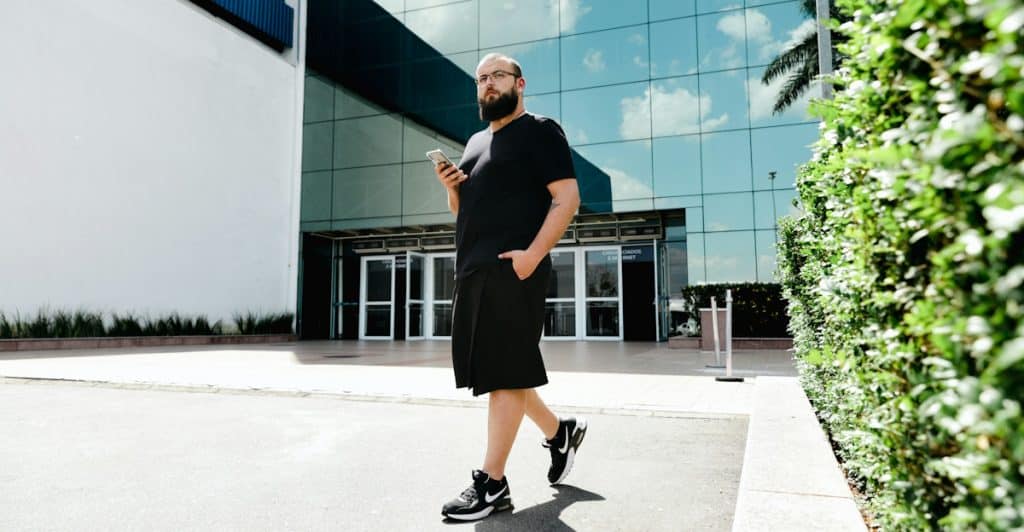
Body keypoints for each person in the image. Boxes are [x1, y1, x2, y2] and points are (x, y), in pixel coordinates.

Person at [433, 53, 588, 522]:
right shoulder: (476, 141)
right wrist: (452, 187)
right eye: (481, 79)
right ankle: (559, 431)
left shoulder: (540, 130)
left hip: (514, 270)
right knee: (504, 369)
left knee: (504, 373)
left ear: (520, 83)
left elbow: (567, 198)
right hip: (475, 272)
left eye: (497, 76)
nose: (488, 84)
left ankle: (493, 483)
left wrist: (532, 256)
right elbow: (467, 214)